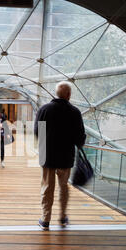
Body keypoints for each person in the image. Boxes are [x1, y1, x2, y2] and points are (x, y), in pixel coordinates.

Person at [34, 81, 86, 230]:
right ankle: (62, 217)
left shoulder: (44, 109)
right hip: (66, 157)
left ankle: (45, 220)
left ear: (56, 93)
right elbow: (79, 138)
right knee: (63, 187)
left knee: (47, 187)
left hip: (47, 156)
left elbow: (38, 132)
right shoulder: (75, 112)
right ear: (69, 95)